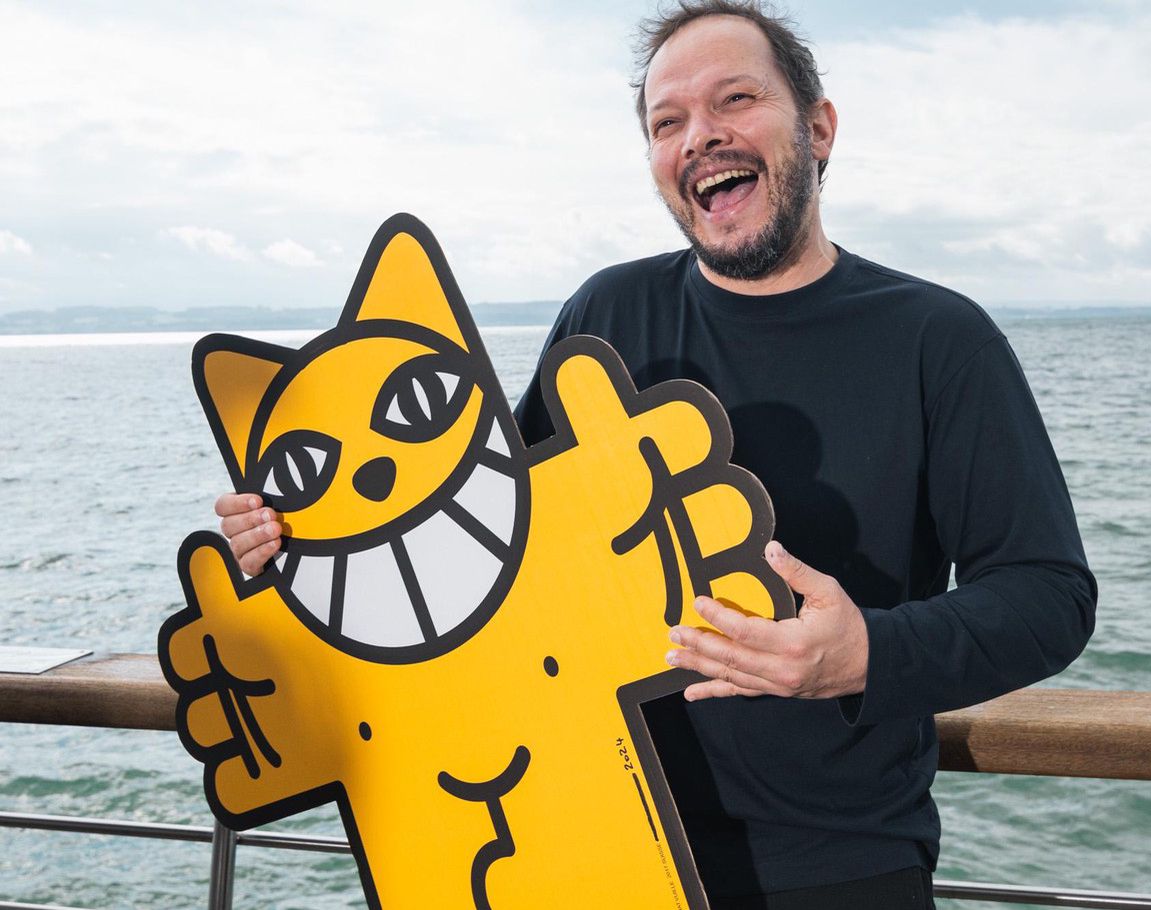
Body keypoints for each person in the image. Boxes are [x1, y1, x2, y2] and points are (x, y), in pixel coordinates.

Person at [216, 2, 1097, 907]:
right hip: (585, 845)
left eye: (737, 99)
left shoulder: (938, 339)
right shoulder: (607, 315)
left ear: (819, 127)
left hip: (840, 863)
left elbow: (1049, 596)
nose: (701, 138)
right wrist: (298, 542)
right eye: (666, 123)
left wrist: (865, 652)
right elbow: (486, 555)